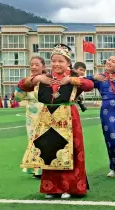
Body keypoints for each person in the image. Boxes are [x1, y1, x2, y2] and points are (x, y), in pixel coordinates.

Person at [18, 44, 94, 199]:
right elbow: (21, 86)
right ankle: (52, 188)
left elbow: (90, 85)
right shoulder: (44, 78)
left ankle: (68, 187)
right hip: (47, 119)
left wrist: (70, 79)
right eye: (54, 61)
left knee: (67, 151)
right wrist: (37, 77)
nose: (57, 64)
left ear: (68, 63)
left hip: (68, 118)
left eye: (61, 61)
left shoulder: (73, 78)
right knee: (49, 151)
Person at [16, 56, 47, 178]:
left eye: (37, 64)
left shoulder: (47, 80)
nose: (34, 67)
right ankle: (36, 170)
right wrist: (22, 85)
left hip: (46, 114)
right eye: (32, 64)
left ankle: (47, 169)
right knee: (33, 142)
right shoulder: (26, 81)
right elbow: (18, 98)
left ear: (43, 66)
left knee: (46, 141)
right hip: (31, 116)